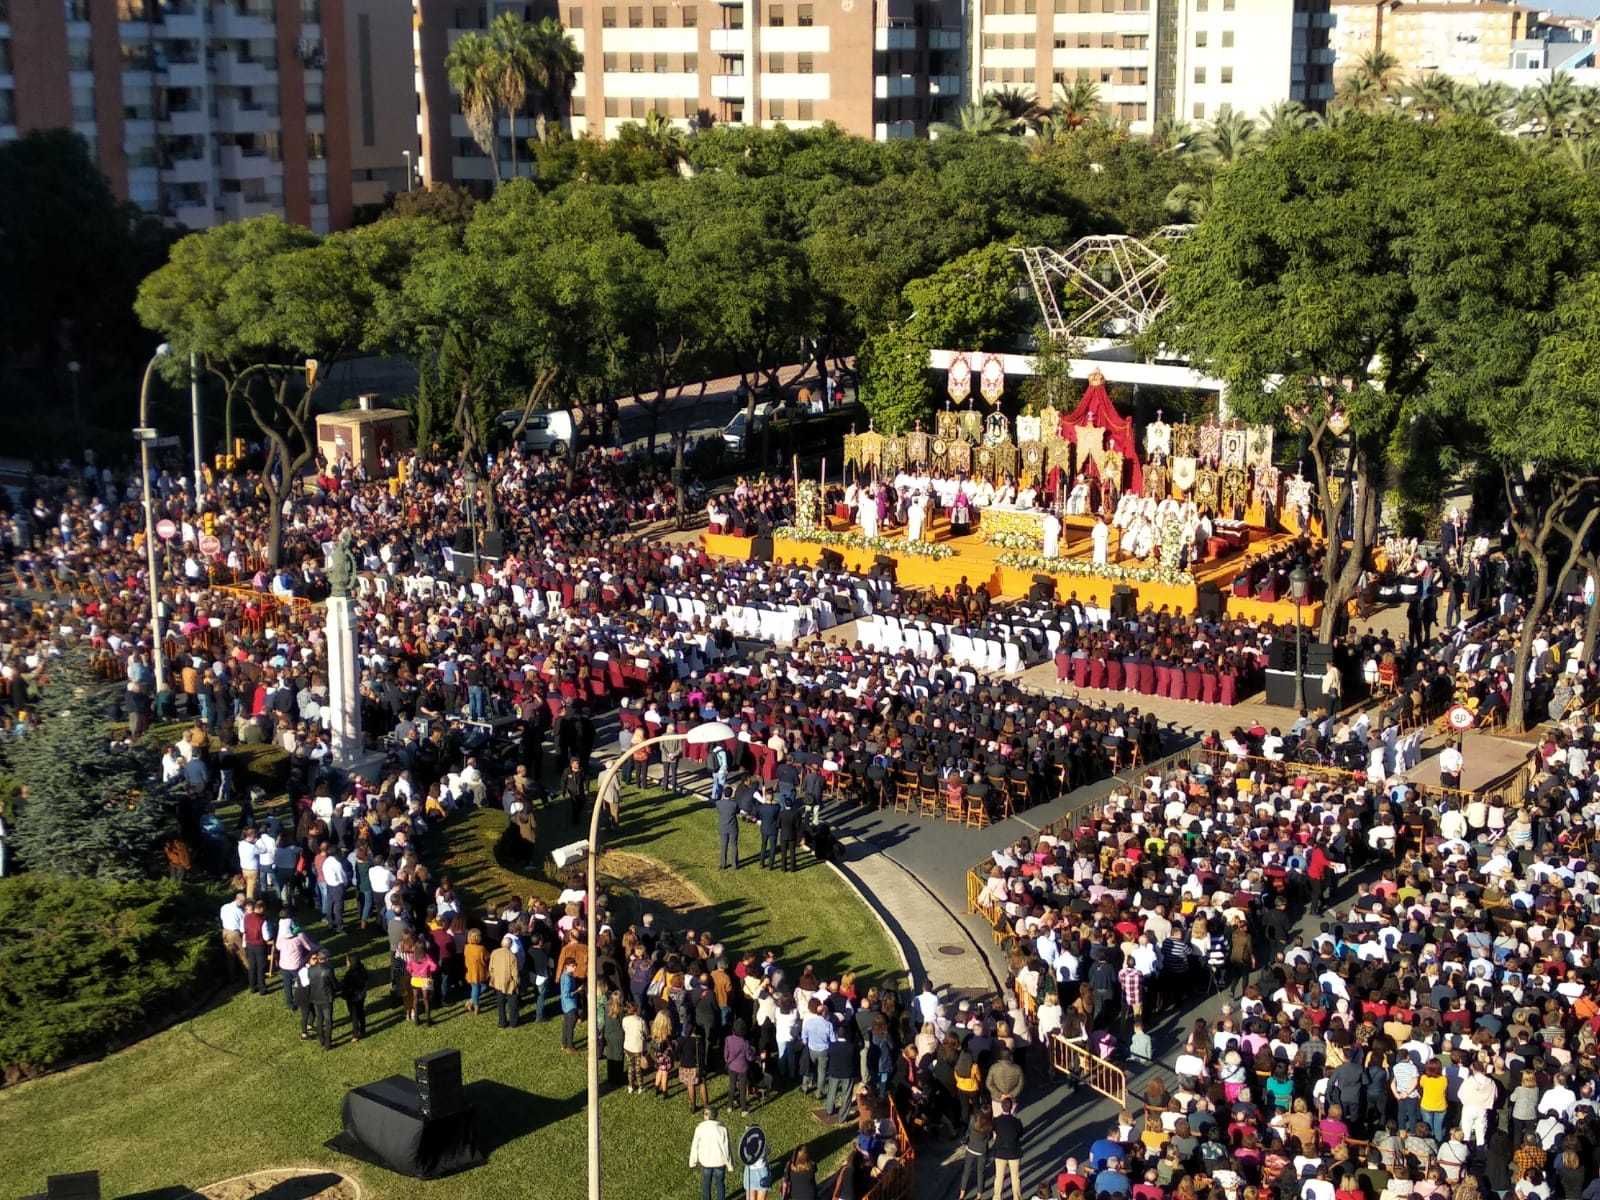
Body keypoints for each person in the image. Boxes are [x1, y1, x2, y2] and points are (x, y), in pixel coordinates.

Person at [689, 1106, 731, 1200]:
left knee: (706, 1184)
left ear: (707, 1116)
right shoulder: (722, 1129)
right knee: (720, 1184)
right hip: (720, 1162)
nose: (703, 1115)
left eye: (704, 1114)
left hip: (706, 1162)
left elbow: (695, 1146)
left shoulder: (700, 1128)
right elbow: (726, 1148)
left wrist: (693, 1161)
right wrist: (729, 1164)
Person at [302, 950, 338, 1050]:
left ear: (318, 958)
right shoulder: (328, 970)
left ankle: (321, 1039)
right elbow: (334, 984)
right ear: (326, 959)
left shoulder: (310, 970)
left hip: (316, 998)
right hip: (326, 998)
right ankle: (328, 1043)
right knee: (328, 1021)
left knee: (319, 1019)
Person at [991, 1096, 1024, 1200]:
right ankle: (1016, 1197)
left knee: (999, 1177)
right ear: (1011, 1107)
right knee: (1015, 1177)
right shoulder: (1016, 1121)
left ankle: (996, 1197)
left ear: (1001, 1107)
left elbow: (993, 1131)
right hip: (1014, 1152)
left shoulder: (996, 1121)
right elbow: (1020, 1134)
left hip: (1000, 1152)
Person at [959, 1108, 995, 1200]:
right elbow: (989, 1137)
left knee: (966, 1171)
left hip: (971, 1148)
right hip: (982, 1151)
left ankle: (962, 1194)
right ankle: (979, 1195)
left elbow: (968, 1131)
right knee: (980, 1172)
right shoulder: (990, 1125)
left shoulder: (973, 1120)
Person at [490, 933, 521, 1029]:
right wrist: (517, 982)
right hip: (510, 983)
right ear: (510, 945)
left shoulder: (494, 953)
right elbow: (515, 973)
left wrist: (493, 977)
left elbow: (491, 968)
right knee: (513, 1003)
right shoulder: (512, 956)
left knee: (500, 1003)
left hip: (498, 982)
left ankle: (502, 1022)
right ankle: (513, 1022)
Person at [340, 953, 368, 1041]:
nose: (346, 963)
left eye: (347, 961)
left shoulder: (350, 974)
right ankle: (363, 1030)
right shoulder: (362, 969)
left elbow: (346, 986)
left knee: (354, 1016)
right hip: (361, 995)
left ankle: (355, 1034)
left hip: (352, 997)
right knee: (361, 1012)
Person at [464, 927, 490, 1015]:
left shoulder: (467, 947)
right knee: (478, 988)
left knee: (476, 988)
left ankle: (471, 1001)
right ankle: (476, 1005)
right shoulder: (481, 949)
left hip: (470, 971)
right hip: (479, 971)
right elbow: (487, 957)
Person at [560, 958, 583, 1051]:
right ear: (567, 966)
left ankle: (564, 1044)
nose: (575, 967)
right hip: (570, 1005)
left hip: (565, 1006)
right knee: (570, 1027)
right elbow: (566, 994)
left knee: (566, 1025)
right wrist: (578, 990)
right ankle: (570, 1046)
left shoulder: (564, 975)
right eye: (573, 966)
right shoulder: (568, 978)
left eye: (575, 965)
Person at [716, 787, 741, 870]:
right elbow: (738, 811)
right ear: (731, 794)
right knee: (734, 845)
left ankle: (723, 864)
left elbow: (719, 810)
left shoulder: (718, 803)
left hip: (723, 826)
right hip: (733, 827)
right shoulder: (734, 804)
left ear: (724, 793)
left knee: (724, 845)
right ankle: (734, 864)